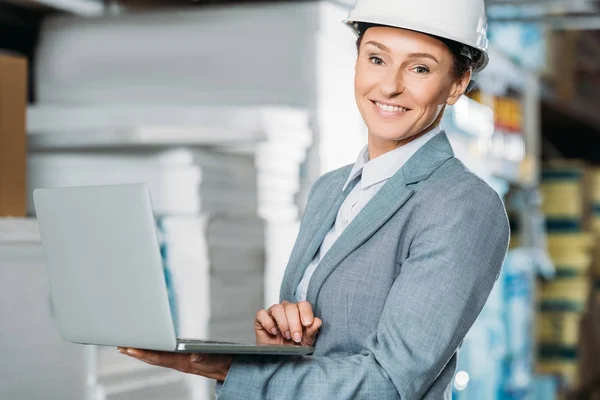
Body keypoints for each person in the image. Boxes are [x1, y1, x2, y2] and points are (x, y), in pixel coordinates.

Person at [120, 0, 510, 398]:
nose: (390, 85)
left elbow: (390, 383)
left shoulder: (462, 206)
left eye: (420, 68)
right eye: (377, 59)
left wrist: (229, 368)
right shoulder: (331, 189)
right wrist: (281, 351)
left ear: (458, 84)